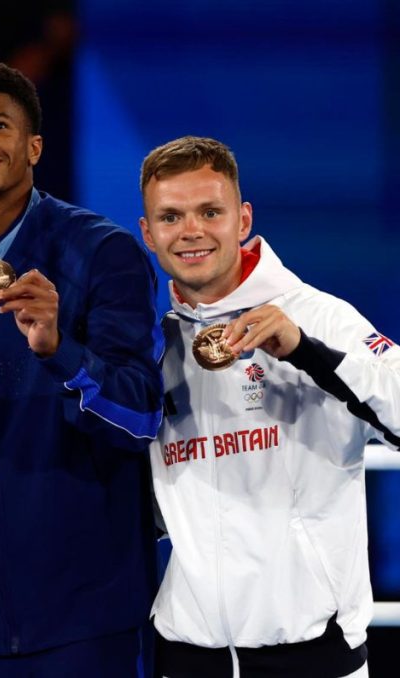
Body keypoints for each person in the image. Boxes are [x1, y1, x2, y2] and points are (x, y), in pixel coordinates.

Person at [0, 60, 163, 676]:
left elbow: (141, 413)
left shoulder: (102, 251)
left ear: (34, 145)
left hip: (91, 615)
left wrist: (60, 350)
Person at [139, 136, 399, 678]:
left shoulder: (320, 317)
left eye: (210, 211)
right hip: (185, 654)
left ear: (242, 219)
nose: (191, 231)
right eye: (171, 216)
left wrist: (306, 351)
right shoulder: (148, 342)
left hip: (314, 656)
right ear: (148, 233)